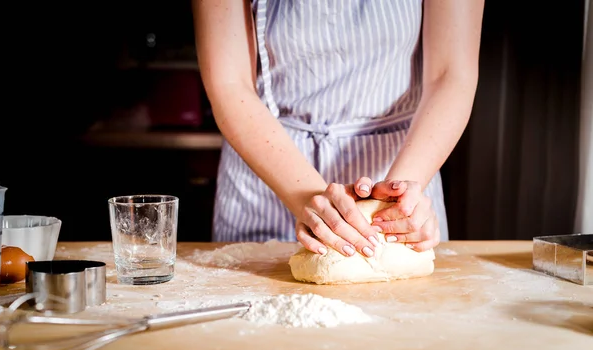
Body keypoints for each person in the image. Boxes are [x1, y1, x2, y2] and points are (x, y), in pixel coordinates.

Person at [192, 0, 484, 259]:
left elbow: (451, 75)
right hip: (267, 167)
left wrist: (397, 200)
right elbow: (229, 83)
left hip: (404, 160)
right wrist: (305, 194)